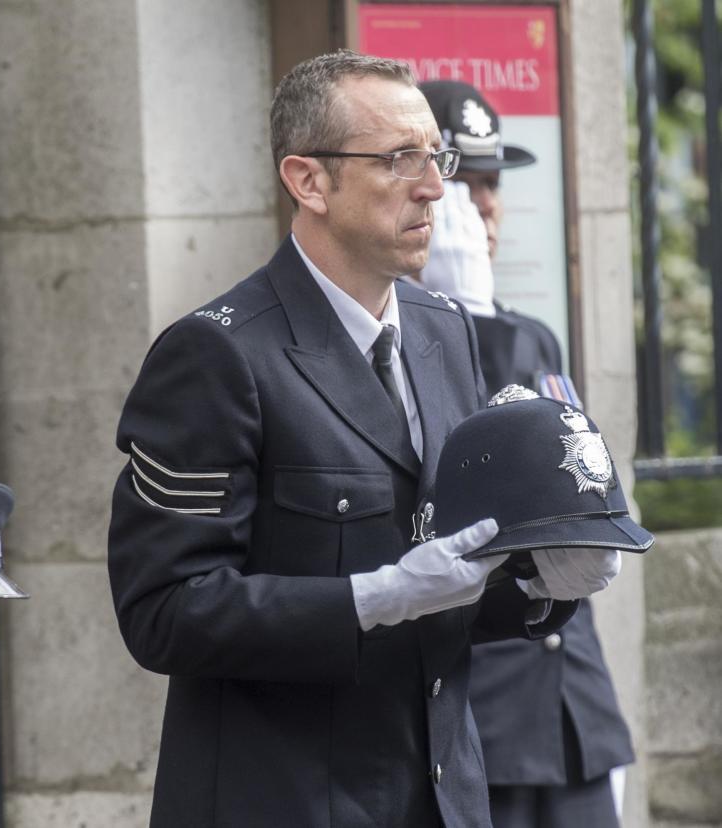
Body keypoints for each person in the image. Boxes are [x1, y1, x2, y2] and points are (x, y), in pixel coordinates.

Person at [107, 50, 620, 828]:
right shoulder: (219, 353)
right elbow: (166, 611)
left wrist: (544, 586)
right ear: (308, 180)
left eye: (435, 158)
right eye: (398, 159)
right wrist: (372, 600)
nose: (435, 188)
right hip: (283, 801)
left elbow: (450, 589)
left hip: (439, 797)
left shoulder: (443, 333)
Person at [418, 79, 635, 828]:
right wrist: (461, 321)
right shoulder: (400, 343)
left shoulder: (529, 335)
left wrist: (599, 724)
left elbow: (577, 497)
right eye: (464, 186)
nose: (485, 207)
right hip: (491, 718)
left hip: (570, 710)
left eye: (493, 185)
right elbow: (465, 486)